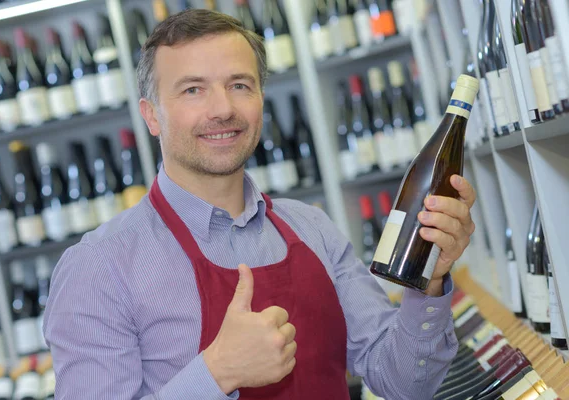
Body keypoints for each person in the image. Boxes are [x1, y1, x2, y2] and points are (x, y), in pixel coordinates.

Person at [43, 9, 477, 400]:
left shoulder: (312, 228)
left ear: (261, 99)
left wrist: (430, 280)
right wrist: (215, 374)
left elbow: (404, 383)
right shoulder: (99, 267)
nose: (223, 108)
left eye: (239, 85)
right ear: (152, 115)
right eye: (193, 90)